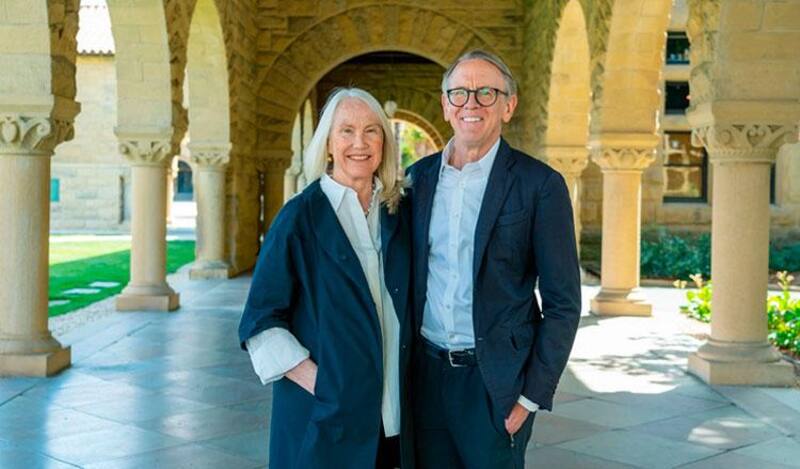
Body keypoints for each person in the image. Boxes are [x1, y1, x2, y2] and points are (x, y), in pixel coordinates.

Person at [407, 50, 582, 468]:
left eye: (487, 92)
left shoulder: (540, 185)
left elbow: (563, 303)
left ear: (508, 105)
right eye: (460, 93)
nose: (472, 103)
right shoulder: (417, 180)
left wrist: (530, 397)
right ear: (446, 104)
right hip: (424, 377)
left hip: (496, 383)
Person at [238, 87, 414, 469]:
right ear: (329, 144)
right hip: (324, 417)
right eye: (346, 131)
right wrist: (326, 386)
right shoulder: (299, 218)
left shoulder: (397, 215)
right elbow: (261, 321)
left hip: (394, 417)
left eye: (372, 131)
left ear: (384, 142)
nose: (359, 143)